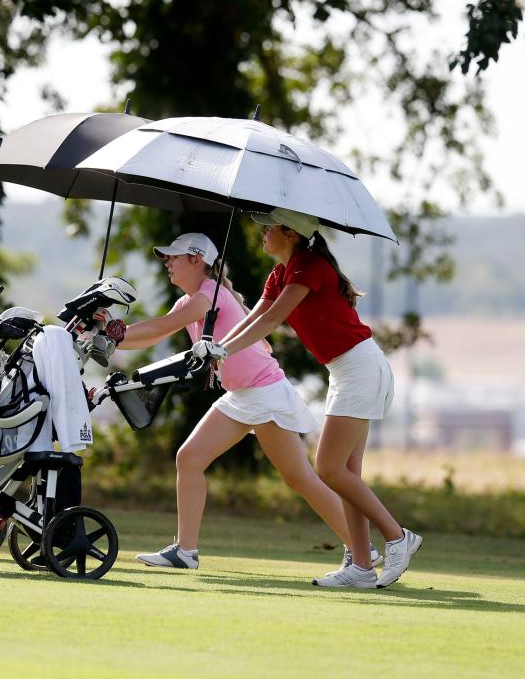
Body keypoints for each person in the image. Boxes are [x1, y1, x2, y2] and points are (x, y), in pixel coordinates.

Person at [118, 232, 373, 573]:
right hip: (241, 395)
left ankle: (363, 551)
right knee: (190, 458)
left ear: (197, 260)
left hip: (263, 391)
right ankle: (185, 551)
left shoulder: (209, 295)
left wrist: (113, 334)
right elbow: (155, 333)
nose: (167, 262)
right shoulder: (191, 301)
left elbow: (159, 327)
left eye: (173, 256)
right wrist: (107, 339)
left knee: (300, 478)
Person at [218, 209, 422, 589]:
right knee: (346, 475)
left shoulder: (307, 268)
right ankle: (361, 565)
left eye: (269, 228)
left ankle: (397, 537)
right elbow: (253, 317)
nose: (263, 234)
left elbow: (271, 321)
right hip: (347, 371)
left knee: (329, 469)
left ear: (290, 234)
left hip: (360, 369)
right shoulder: (281, 273)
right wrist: (217, 345)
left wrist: (221, 352)